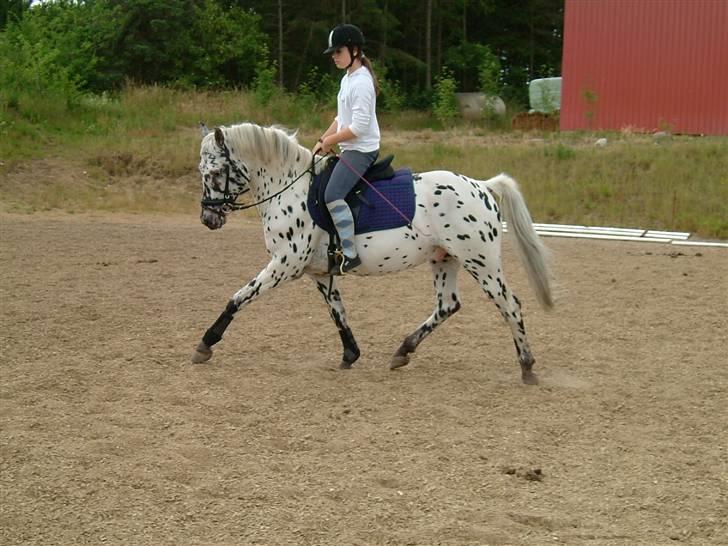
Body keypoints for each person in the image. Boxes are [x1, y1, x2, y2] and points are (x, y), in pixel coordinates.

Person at [312, 23, 380, 275]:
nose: (333, 56)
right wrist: (322, 139)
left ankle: (350, 253)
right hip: (350, 147)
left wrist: (330, 142)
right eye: (333, 52)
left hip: (361, 150)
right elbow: (341, 119)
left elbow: (359, 127)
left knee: (332, 194)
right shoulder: (347, 79)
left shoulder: (362, 82)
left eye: (338, 51)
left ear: (354, 50)